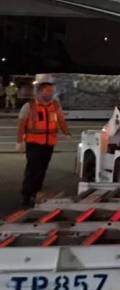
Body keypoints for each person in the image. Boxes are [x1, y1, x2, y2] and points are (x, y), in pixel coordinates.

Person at [16, 75, 71, 207]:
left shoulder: (55, 105)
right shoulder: (29, 106)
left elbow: (61, 120)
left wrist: (66, 133)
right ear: (40, 92)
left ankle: (36, 193)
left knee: (42, 169)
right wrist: (19, 141)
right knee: (32, 170)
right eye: (48, 91)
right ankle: (26, 195)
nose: (51, 94)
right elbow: (21, 124)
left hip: (49, 143)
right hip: (33, 143)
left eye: (52, 91)